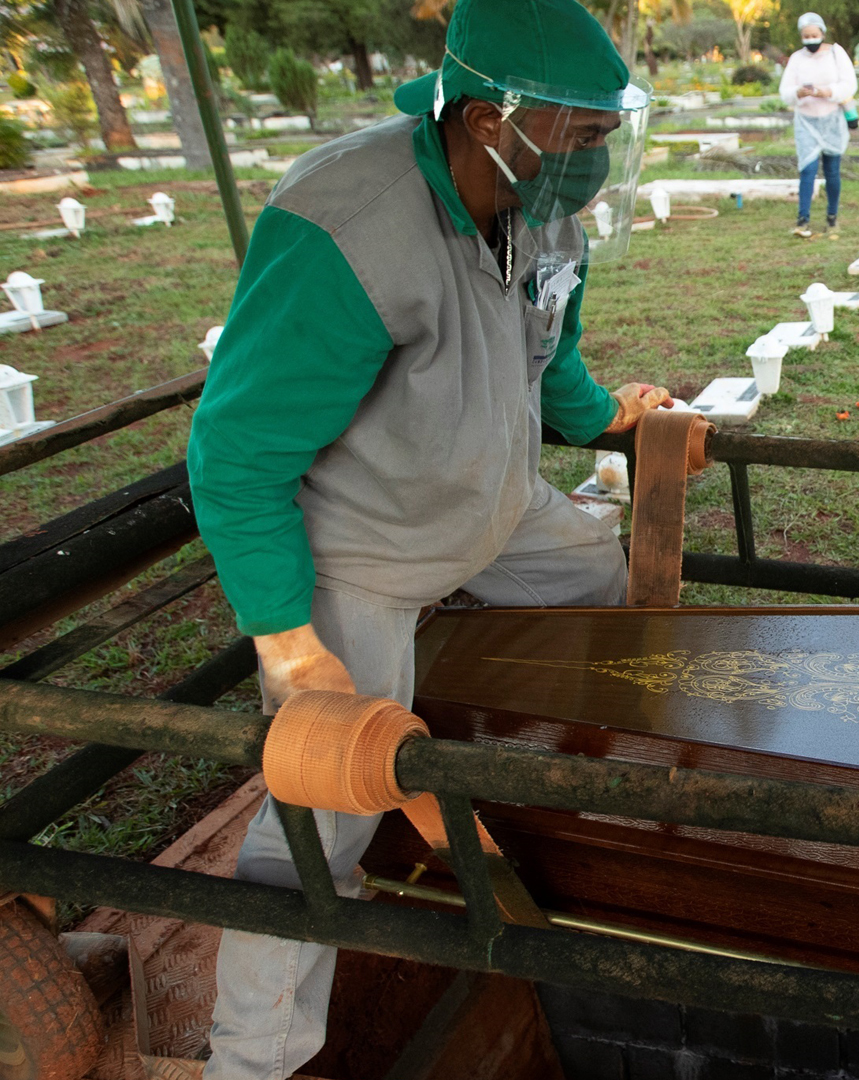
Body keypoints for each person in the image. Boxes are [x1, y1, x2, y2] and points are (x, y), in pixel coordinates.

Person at [185, 1, 670, 1076]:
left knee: (598, 567)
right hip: (363, 545)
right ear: (494, 118)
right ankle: (251, 1057)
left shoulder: (544, 206)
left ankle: (512, 785)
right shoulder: (349, 227)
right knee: (322, 815)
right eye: (582, 136)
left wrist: (608, 420)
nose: (595, 162)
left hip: (487, 505)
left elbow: (553, 357)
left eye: (605, 137)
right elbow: (237, 453)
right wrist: (284, 639)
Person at [779, 12, 857, 238]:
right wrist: (798, 93)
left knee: (832, 170)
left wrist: (828, 92)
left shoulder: (836, 53)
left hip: (831, 117)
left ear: (822, 33)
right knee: (808, 169)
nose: (811, 39)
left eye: (814, 35)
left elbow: (849, 84)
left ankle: (832, 217)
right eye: (806, 36)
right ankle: (802, 219)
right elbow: (785, 91)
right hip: (806, 120)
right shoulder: (797, 58)